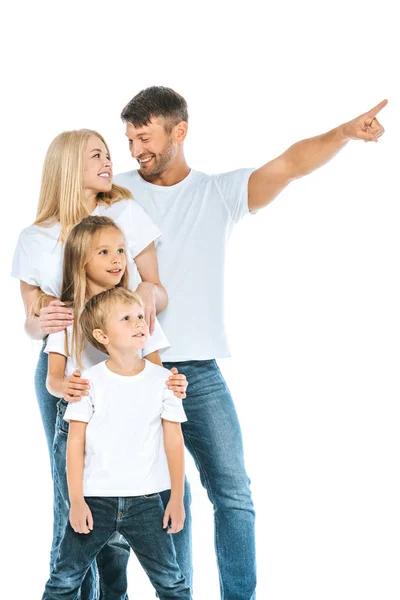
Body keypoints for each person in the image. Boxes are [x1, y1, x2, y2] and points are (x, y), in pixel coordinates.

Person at [114, 86, 388, 600]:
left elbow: (289, 165)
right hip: (132, 370)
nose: (135, 150)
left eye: (145, 137)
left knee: (234, 495)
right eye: (129, 139)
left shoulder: (217, 193)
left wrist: (345, 134)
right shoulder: (117, 191)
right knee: (161, 498)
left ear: (180, 131)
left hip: (198, 370)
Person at [11, 129, 188, 600]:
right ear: (69, 165)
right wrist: (47, 326)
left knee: (125, 488)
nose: (110, 160)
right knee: (72, 496)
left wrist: (145, 299)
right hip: (73, 375)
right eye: (97, 155)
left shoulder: (124, 212)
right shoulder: (36, 236)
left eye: (109, 153)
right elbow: (34, 321)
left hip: (131, 374)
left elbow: (151, 290)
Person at [42, 287, 191, 600]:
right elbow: (75, 444)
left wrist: (176, 498)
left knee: (172, 584)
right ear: (102, 335)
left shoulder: (165, 381)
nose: (139, 323)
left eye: (140, 316)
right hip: (96, 501)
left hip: (147, 502)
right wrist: (77, 500)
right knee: (63, 582)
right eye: (127, 318)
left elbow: (174, 442)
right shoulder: (88, 382)